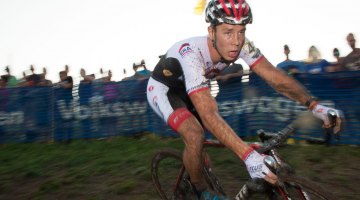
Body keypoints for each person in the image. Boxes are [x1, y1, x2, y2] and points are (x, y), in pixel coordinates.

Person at [146, 0, 343, 199]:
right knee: (195, 135)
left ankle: (198, 165)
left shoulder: (242, 45)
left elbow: (275, 77)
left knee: (202, 144)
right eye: (228, 31)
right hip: (166, 90)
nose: (236, 41)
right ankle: (199, 188)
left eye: (242, 31)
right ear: (212, 32)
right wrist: (248, 156)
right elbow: (208, 113)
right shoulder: (190, 53)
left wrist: (315, 106)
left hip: (192, 89)